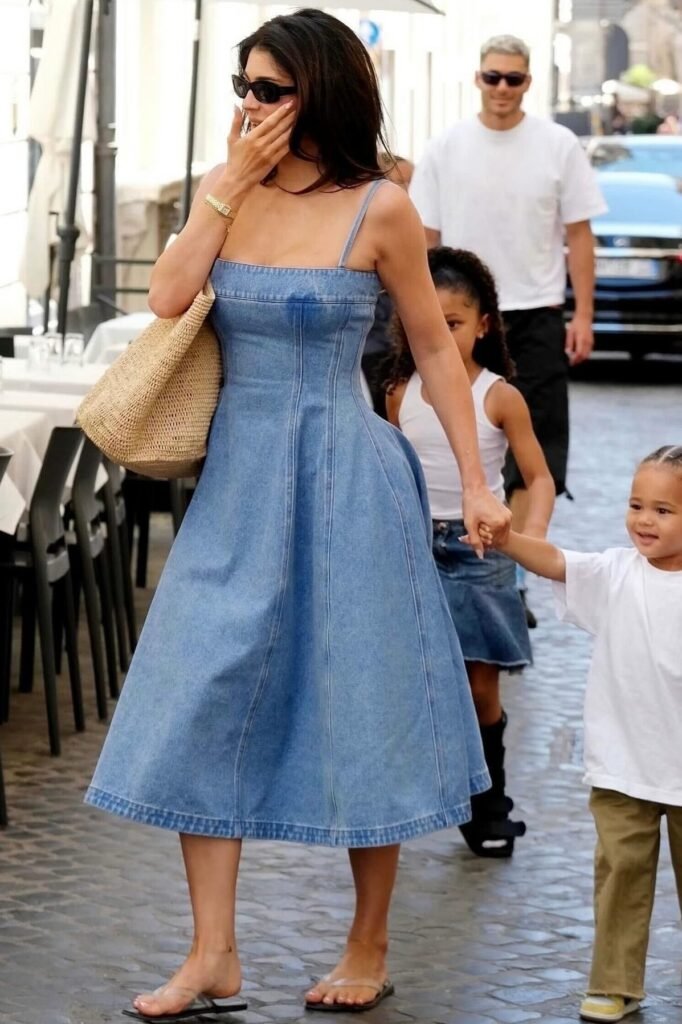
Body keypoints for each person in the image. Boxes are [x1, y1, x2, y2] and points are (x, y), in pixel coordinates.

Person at [84, 10, 511, 1021]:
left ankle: (367, 938)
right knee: (204, 690)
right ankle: (212, 954)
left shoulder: (383, 207)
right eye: (243, 85)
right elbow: (171, 296)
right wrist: (223, 188)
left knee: (363, 695)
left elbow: (435, 349)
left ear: (320, 92)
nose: (251, 104)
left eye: (270, 89)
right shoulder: (225, 190)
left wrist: (477, 478)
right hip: (237, 477)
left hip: (349, 470)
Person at [474, 445, 682, 1023]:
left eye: (665, 510)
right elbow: (556, 561)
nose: (645, 519)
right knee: (620, 875)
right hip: (623, 766)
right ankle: (615, 982)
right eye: (637, 504)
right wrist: (506, 538)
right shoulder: (615, 572)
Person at [409, 33, 606, 626]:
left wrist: (585, 314)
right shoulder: (446, 147)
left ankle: (511, 571)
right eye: (492, 77)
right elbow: (425, 241)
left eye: (513, 79)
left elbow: (578, 235)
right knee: (457, 441)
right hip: (459, 321)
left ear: (527, 83)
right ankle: (461, 558)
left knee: (534, 453)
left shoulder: (558, 145)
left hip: (537, 311)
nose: (502, 89)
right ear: (477, 79)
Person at [384, 247, 554, 858]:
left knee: (481, 687)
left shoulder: (498, 396)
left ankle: (489, 807)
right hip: (413, 551)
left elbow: (537, 478)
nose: (437, 330)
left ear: (482, 325)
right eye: (422, 317)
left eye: (452, 321)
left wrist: (527, 541)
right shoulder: (398, 394)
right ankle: (413, 797)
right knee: (415, 681)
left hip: (482, 553)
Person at [361, 153, 415, 417]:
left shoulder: (416, 230)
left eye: (410, 182)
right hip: (374, 350)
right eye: (398, 182)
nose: (406, 190)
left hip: (404, 349)